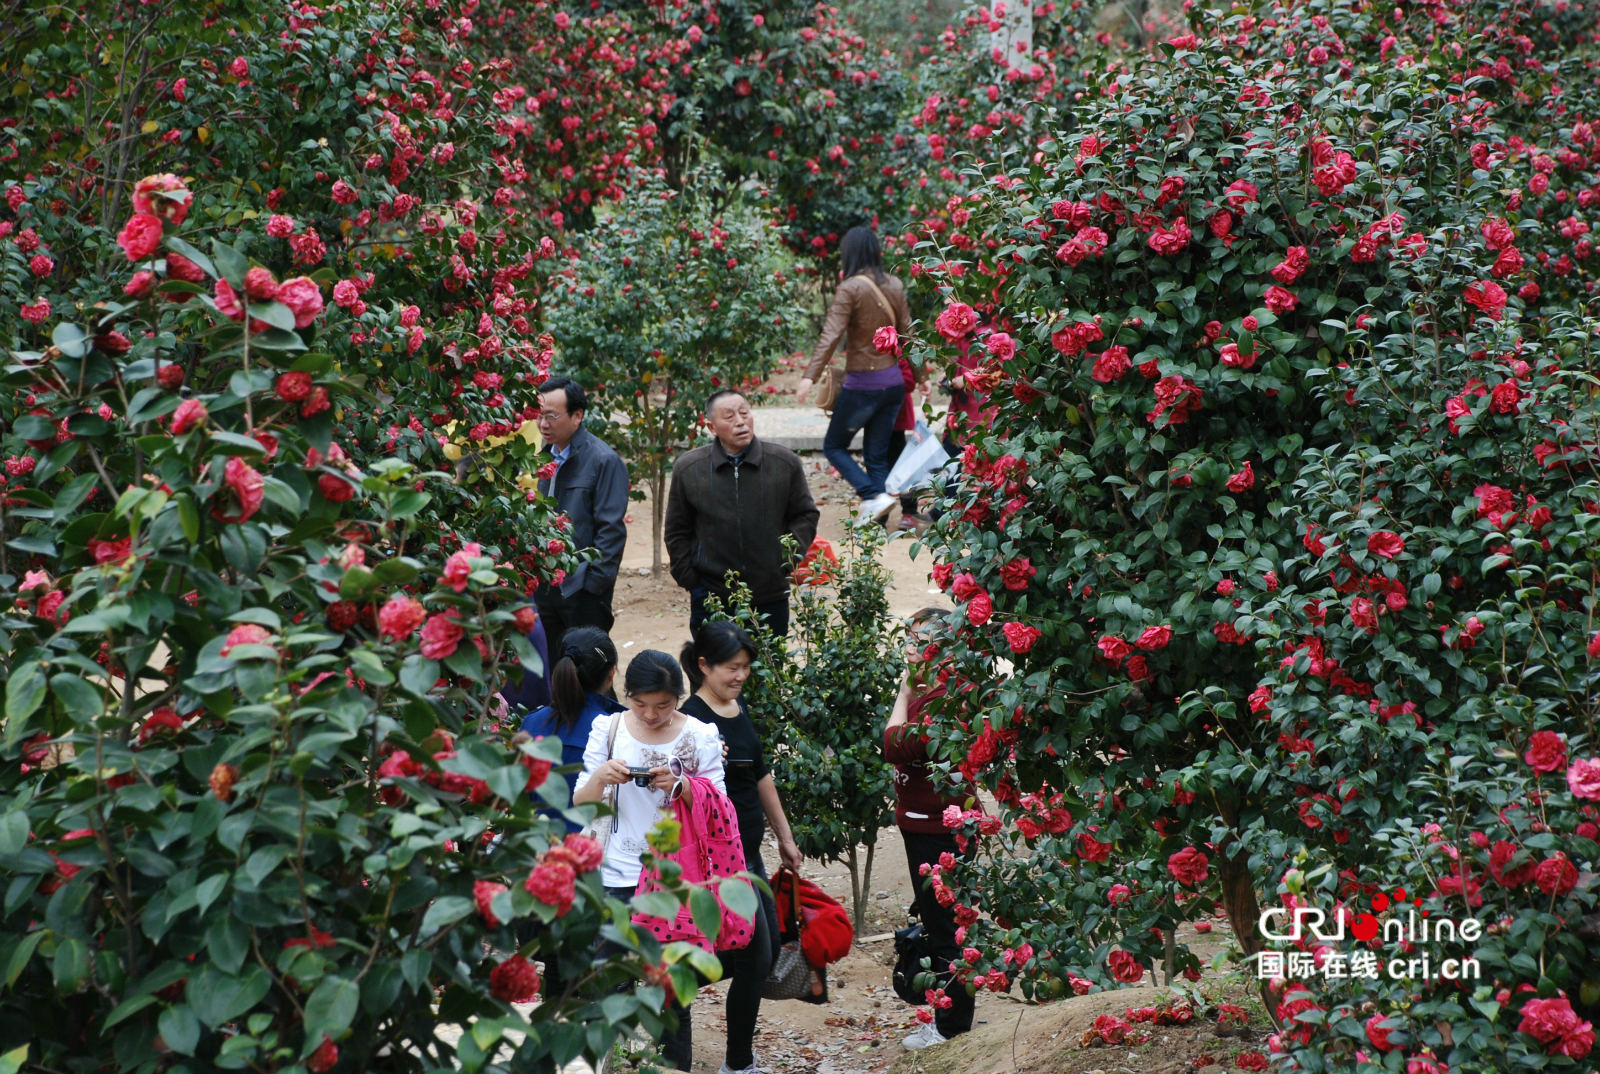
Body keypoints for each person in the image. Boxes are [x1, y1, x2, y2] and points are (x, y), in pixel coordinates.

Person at [573, 650, 734, 1073]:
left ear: (678, 699)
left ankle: (673, 1067)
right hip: (615, 874)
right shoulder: (607, 730)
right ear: (625, 694)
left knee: (671, 995)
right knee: (608, 985)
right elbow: (579, 800)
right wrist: (600, 778)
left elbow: (720, 804)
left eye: (663, 705)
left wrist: (682, 786)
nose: (650, 714)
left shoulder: (700, 735)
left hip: (674, 880)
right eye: (640, 704)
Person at [680, 622, 804, 1074]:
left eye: (745, 668)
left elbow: (760, 774)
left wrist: (785, 838)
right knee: (756, 955)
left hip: (749, 853)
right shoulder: (691, 721)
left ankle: (679, 986)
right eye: (732, 668)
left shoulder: (736, 706)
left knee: (758, 953)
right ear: (703, 665)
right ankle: (737, 1061)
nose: (740, 676)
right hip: (717, 859)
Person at [883, 608, 976, 1051]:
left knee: (946, 927)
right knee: (939, 920)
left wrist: (902, 691)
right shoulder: (931, 689)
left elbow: (894, 743)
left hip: (942, 831)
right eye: (907, 639)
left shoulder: (949, 697)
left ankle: (950, 1026)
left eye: (921, 642)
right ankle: (947, 1018)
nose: (910, 650)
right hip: (921, 825)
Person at [664, 389, 819, 639]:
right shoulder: (690, 469)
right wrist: (692, 581)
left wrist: (785, 561)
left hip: (770, 594)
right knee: (714, 672)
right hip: (712, 595)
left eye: (744, 413)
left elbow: (805, 515)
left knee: (771, 669)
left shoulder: (783, 462)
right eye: (729, 416)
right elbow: (676, 530)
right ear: (712, 427)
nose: (740, 421)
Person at [795, 226, 916, 525]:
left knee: (833, 446)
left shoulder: (850, 288)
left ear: (849, 253)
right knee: (876, 454)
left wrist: (809, 376)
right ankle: (877, 519)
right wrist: (921, 373)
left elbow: (831, 334)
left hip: (863, 384)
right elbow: (909, 335)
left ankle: (873, 495)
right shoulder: (895, 284)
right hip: (893, 384)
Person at [535, 376, 630, 661]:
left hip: (583, 590)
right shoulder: (543, 456)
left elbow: (611, 531)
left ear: (578, 416)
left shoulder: (603, 460)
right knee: (556, 673)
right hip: (546, 586)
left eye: (551, 416)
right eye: (539, 416)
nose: (543, 424)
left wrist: (592, 585)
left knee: (590, 669)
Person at [516, 626, 622, 831]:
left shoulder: (531, 724)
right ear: (611, 674)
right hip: (589, 853)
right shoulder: (615, 732)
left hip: (535, 848)